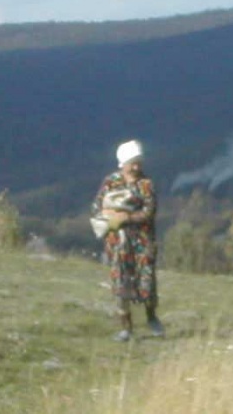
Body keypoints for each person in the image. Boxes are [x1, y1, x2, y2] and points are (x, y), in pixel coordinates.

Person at [91, 139, 165, 342]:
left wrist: (127, 217)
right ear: (122, 162)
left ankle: (151, 317)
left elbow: (149, 212)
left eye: (138, 162)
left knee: (147, 282)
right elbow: (96, 207)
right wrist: (108, 215)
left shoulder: (146, 184)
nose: (136, 166)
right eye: (132, 162)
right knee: (120, 285)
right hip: (118, 243)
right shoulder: (110, 182)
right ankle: (126, 328)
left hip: (143, 241)